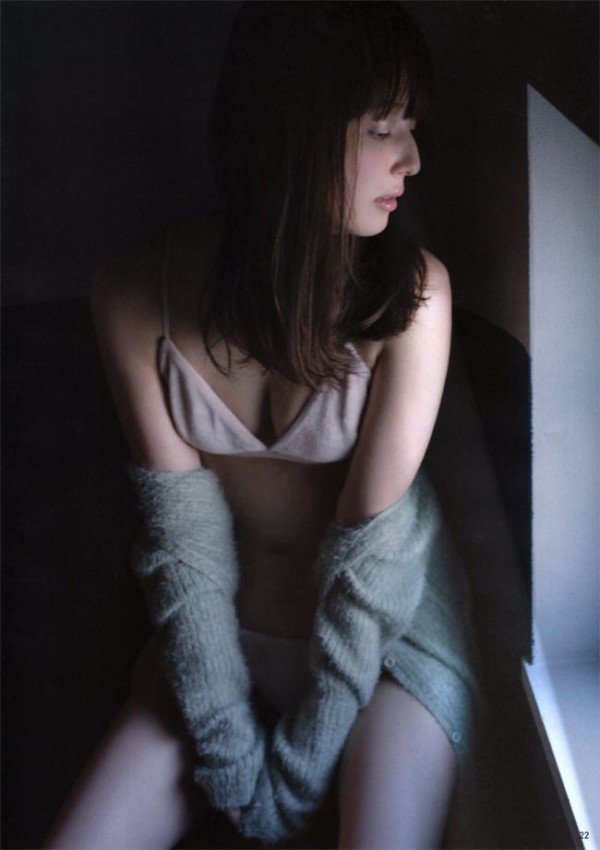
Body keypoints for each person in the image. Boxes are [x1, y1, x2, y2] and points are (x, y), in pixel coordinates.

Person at [45, 3, 480, 848]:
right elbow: (183, 545)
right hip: (219, 635)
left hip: (390, 641)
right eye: (381, 129)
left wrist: (300, 771)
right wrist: (225, 743)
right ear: (292, 134)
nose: (412, 159)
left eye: (410, 126)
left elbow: (372, 568)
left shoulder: (414, 301)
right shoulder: (133, 296)